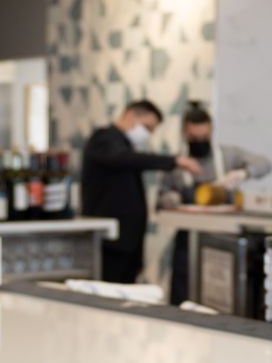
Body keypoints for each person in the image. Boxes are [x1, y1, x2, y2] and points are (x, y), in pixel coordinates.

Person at [81, 99, 202, 284]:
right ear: (130, 115)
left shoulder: (124, 146)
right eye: (147, 127)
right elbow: (124, 159)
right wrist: (174, 161)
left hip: (127, 244)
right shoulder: (104, 139)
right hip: (109, 243)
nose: (147, 134)